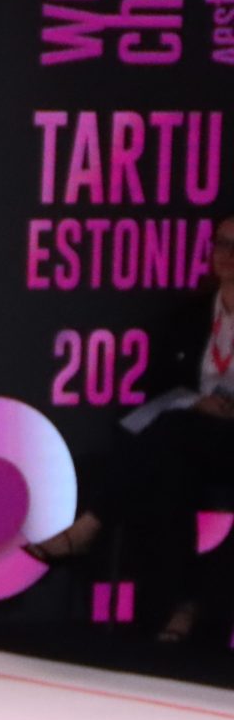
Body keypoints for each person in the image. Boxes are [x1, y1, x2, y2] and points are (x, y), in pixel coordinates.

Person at [24, 215, 234, 643]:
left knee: (169, 436)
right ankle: (181, 609)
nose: (228, 255)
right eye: (222, 244)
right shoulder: (190, 316)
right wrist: (197, 403)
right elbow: (160, 386)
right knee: (169, 468)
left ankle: (91, 525)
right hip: (190, 438)